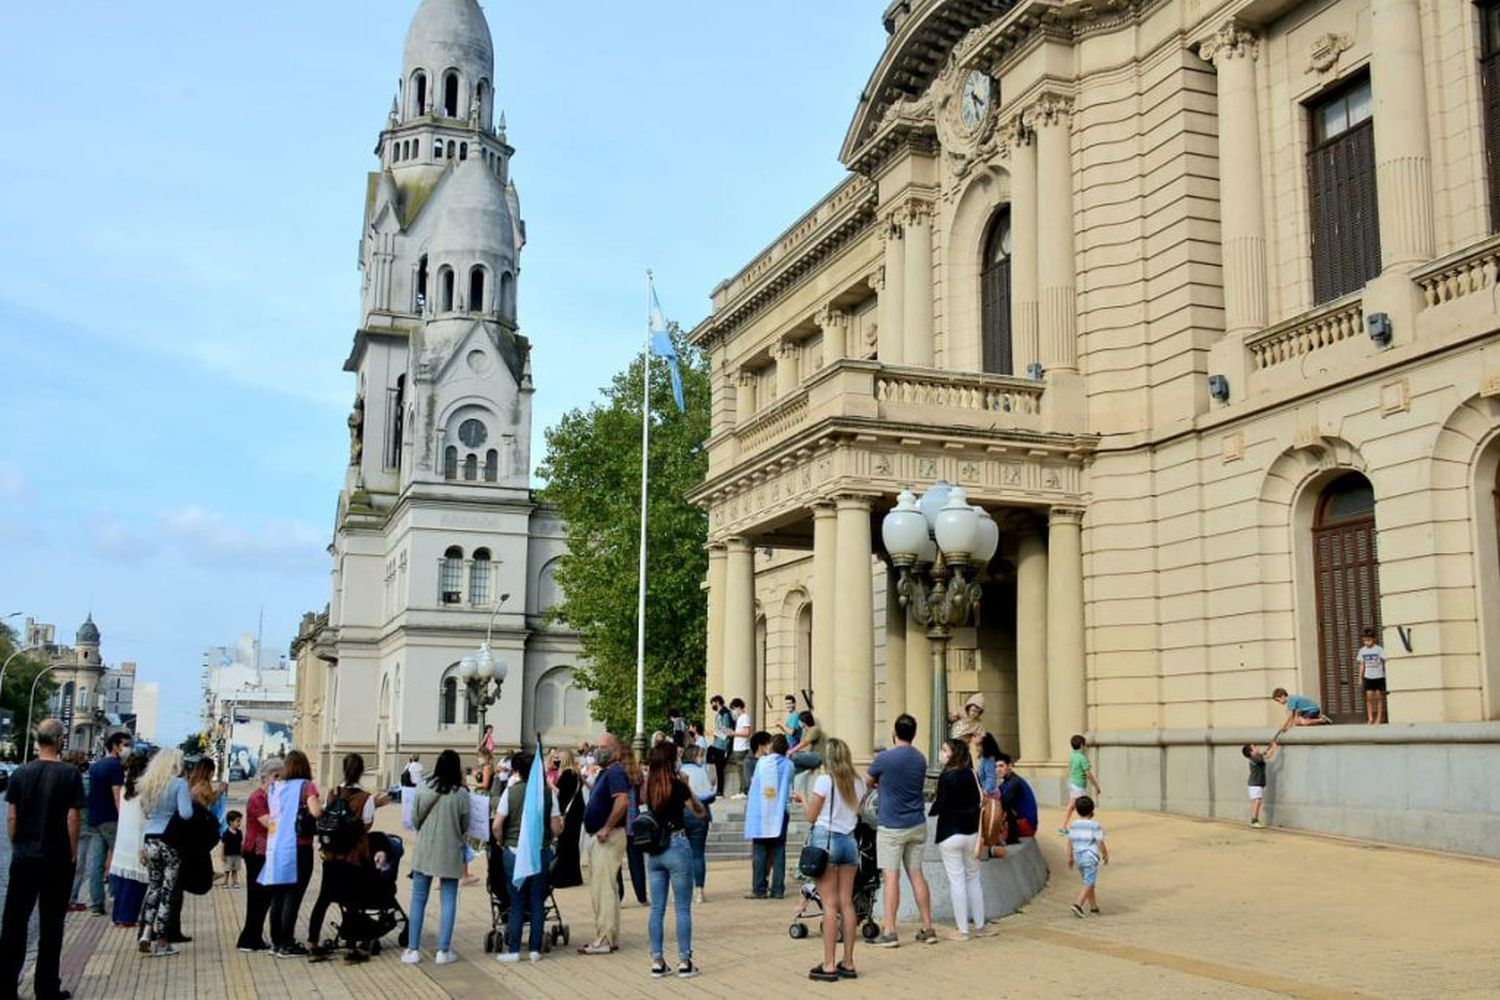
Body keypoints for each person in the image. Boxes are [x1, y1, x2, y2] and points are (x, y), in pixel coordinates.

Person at [0, 718, 85, 1000]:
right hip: (56, 858)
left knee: (14, 923)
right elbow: (73, 817)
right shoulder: (69, 774)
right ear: (60, 740)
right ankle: (46, 988)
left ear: (38, 740)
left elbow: (12, 816)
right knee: (51, 925)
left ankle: (8, 985)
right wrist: (72, 851)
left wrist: (17, 845)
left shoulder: (21, 773)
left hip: (24, 857)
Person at [793, 737, 865, 982]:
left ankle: (829, 964)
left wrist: (802, 799)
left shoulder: (824, 781)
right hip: (849, 843)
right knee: (847, 902)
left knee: (829, 904)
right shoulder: (859, 783)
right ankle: (849, 961)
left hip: (827, 841)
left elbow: (812, 817)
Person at [308, 753, 386, 960]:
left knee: (323, 899)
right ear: (361, 772)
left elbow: (326, 818)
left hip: (331, 855)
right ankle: (351, 949)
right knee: (353, 901)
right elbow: (367, 825)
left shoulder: (333, 792)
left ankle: (312, 942)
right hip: (353, 856)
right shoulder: (366, 798)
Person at [866, 713, 936, 947]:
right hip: (916, 823)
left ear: (894, 734)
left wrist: (881, 783)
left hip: (891, 826)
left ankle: (890, 930)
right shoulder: (920, 758)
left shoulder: (884, 758)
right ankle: (928, 927)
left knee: (891, 877)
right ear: (914, 734)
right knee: (917, 875)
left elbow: (868, 781)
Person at [642, 741, 706, 979]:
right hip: (677, 845)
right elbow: (699, 812)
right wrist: (688, 787)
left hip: (655, 849)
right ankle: (684, 960)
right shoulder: (677, 786)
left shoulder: (650, 787)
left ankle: (657, 960)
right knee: (682, 908)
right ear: (672, 761)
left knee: (656, 909)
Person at [493, 751, 562, 964]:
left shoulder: (510, 792)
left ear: (516, 771)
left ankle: (514, 949)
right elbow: (556, 827)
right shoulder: (547, 794)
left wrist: (501, 841)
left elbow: (497, 825)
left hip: (514, 851)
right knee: (536, 900)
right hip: (540, 851)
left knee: (516, 901)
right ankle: (534, 950)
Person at [403, 749, 470, 965]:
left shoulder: (423, 787)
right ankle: (443, 950)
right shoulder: (461, 795)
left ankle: (412, 949)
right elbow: (465, 825)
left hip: (424, 849)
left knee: (418, 899)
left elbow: (414, 820)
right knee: (449, 898)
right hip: (449, 850)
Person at [929, 739, 995, 940]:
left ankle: (963, 929)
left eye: (944, 750)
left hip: (949, 832)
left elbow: (940, 804)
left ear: (953, 754)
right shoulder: (971, 774)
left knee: (956, 880)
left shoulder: (946, 777)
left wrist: (933, 808)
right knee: (973, 878)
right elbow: (979, 800)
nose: (941, 753)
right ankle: (980, 925)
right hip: (971, 833)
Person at [260, 750, 323, 958]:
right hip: (299, 846)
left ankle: (276, 942)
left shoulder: (276, 788)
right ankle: (287, 942)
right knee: (293, 896)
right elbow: (316, 812)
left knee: (278, 895)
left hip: (276, 847)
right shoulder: (307, 786)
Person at [136, 747, 193, 958]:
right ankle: (162, 939)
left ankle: (146, 931)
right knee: (168, 890)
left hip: (149, 839)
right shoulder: (179, 784)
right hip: (170, 840)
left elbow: (145, 813)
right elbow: (186, 814)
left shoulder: (147, 785)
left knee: (153, 887)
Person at [578, 732, 631, 955]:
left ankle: (605, 938)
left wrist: (607, 827)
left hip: (608, 838)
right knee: (603, 888)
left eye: (603, 746)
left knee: (604, 889)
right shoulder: (606, 773)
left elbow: (622, 801)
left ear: (614, 749)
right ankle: (608, 935)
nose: (598, 750)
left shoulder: (616, 771)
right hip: (601, 837)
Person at [82, 729, 131, 915]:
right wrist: (124, 818)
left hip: (95, 819)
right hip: (111, 819)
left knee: (96, 863)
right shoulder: (115, 767)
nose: (128, 749)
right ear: (115, 746)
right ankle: (118, 899)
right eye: (125, 745)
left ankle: (96, 905)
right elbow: (117, 795)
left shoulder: (96, 766)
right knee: (119, 860)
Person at [235, 759, 280, 953]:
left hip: (266, 851)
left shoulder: (271, 797)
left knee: (264, 896)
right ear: (267, 777)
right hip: (256, 851)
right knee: (257, 896)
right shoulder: (257, 798)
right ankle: (249, 938)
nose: (279, 781)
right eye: (276, 777)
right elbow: (268, 823)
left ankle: (254, 936)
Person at [744, 733, 793, 900]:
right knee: (779, 851)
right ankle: (778, 889)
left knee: (760, 851)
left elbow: (754, 785)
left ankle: (759, 888)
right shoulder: (788, 764)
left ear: (771, 746)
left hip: (760, 812)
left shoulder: (762, 763)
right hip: (780, 812)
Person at [109, 751, 150, 928]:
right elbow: (147, 815)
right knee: (136, 882)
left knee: (123, 881)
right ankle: (127, 917)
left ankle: (118, 915)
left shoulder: (126, 788)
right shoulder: (145, 790)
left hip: (124, 838)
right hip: (138, 837)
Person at [678, 746, 715, 903]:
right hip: (700, 814)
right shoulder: (702, 771)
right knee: (698, 853)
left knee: (682, 855)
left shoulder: (680, 771)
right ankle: (699, 891)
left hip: (682, 813)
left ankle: (682, 890)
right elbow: (710, 794)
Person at [1065, 795, 1109, 918]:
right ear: (1092, 810)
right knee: (1089, 882)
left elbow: (1070, 842)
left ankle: (1094, 907)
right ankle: (1078, 904)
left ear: (1077, 810)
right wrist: (1105, 855)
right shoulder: (1095, 826)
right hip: (1090, 857)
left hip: (1078, 857)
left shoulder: (1074, 825)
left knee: (1088, 882)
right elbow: (1100, 842)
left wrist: (1069, 857)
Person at [551, 750, 585, 890]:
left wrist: (551, 785)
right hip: (576, 813)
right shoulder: (576, 774)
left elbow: (561, 793)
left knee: (565, 844)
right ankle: (574, 876)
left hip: (568, 813)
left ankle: (564, 877)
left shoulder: (566, 774)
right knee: (572, 844)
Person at [65, 751, 94, 913]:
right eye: (84, 761)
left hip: (61, 828)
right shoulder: (84, 781)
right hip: (80, 828)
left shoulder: (60, 778)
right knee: (78, 865)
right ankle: (70, 899)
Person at [1058, 735, 1102, 834]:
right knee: (1083, 806)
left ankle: (1064, 827)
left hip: (1072, 783)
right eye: (1084, 744)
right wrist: (1096, 786)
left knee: (1074, 806)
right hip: (1078, 785)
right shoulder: (1082, 758)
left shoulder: (1072, 756)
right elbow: (1088, 774)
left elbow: (1070, 769)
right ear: (1082, 745)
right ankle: (1080, 827)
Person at [995, 753, 1038, 844]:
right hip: (1023, 822)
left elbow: (1002, 805)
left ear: (1009, 766)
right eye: (996, 767)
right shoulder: (1008, 782)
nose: (998, 769)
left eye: (1001, 766)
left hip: (1027, 826)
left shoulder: (1014, 783)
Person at [1243, 740, 1280, 829]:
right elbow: (1267, 755)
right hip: (1256, 783)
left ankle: (1255, 819)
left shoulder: (1256, 757)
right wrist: (1274, 747)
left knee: (1257, 801)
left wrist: (1271, 747)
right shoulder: (1255, 758)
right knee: (1257, 801)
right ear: (1251, 752)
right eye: (1254, 747)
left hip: (1256, 783)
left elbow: (1265, 753)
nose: (1256, 748)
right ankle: (1254, 820)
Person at [1357, 628, 1387, 725]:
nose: (1367, 642)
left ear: (1374, 639)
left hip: (1378, 676)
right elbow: (1362, 664)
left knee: (1379, 696)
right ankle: (1370, 717)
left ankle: (1379, 717)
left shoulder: (1379, 649)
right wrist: (1360, 678)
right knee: (1369, 697)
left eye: (1369, 640)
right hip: (1368, 676)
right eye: (1365, 640)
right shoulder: (1362, 651)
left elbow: (1384, 661)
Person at [707, 695, 733, 798]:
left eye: (712, 703)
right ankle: (715, 787)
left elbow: (726, 731)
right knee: (715, 765)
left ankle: (719, 790)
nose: (712, 706)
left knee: (719, 768)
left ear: (717, 702)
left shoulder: (724, 714)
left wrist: (714, 733)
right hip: (717, 744)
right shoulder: (720, 714)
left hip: (721, 745)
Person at [728, 698, 753, 798]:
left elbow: (747, 732)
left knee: (742, 771)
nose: (733, 712)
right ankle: (742, 790)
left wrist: (733, 733)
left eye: (733, 709)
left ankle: (744, 791)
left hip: (742, 748)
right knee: (740, 770)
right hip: (738, 747)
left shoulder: (745, 717)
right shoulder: (740, 718)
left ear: (738, 707)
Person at [221, 811, 244, 888]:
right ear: (231, 822)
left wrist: (242, 852)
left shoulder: (239, 832)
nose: (239, 823)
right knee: (227, 870)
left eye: (240, 821)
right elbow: (223, 845)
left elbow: (240, 843)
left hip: (237, 855)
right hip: (228, 855)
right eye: (237, 821)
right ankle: (225, 882)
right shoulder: (226, 833)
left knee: (235, 870)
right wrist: (222, 855)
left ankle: (235, 882)